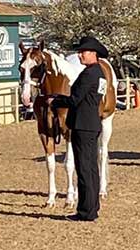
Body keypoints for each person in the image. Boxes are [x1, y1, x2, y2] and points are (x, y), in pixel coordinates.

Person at [47, 36, 108, 221]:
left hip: (83, 125)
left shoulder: (89, 74)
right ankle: (92, 207)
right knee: (91, 169)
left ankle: (85, 211)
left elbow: (75, 100)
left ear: (93, 54)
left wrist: (55, 100)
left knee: (84, 169)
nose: (80, 55)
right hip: (92, 124)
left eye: (83, 52)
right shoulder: (100, 74)